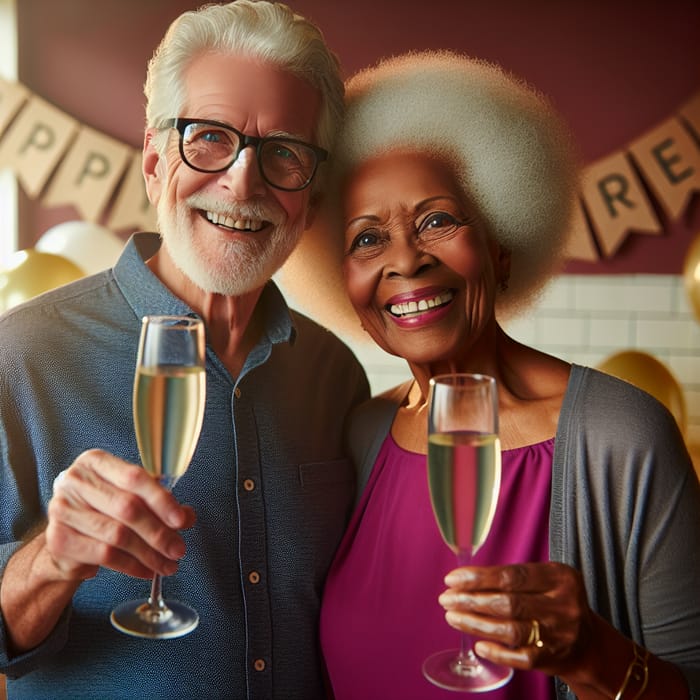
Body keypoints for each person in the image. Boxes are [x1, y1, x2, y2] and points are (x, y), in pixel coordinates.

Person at [285, 51, 700, 699]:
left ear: (501, 246)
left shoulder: (621, 435)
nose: (406, 261)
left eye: (438, 220)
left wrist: (594, 656)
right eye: (367, 239)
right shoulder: (360, 435)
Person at [0, 3, 369, 699]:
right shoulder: (21, 357)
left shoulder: (335, 376)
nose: (242, 181)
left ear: (311, 198)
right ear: (152, 161)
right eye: (208, 138)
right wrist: (50, 560)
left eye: (284, 152)